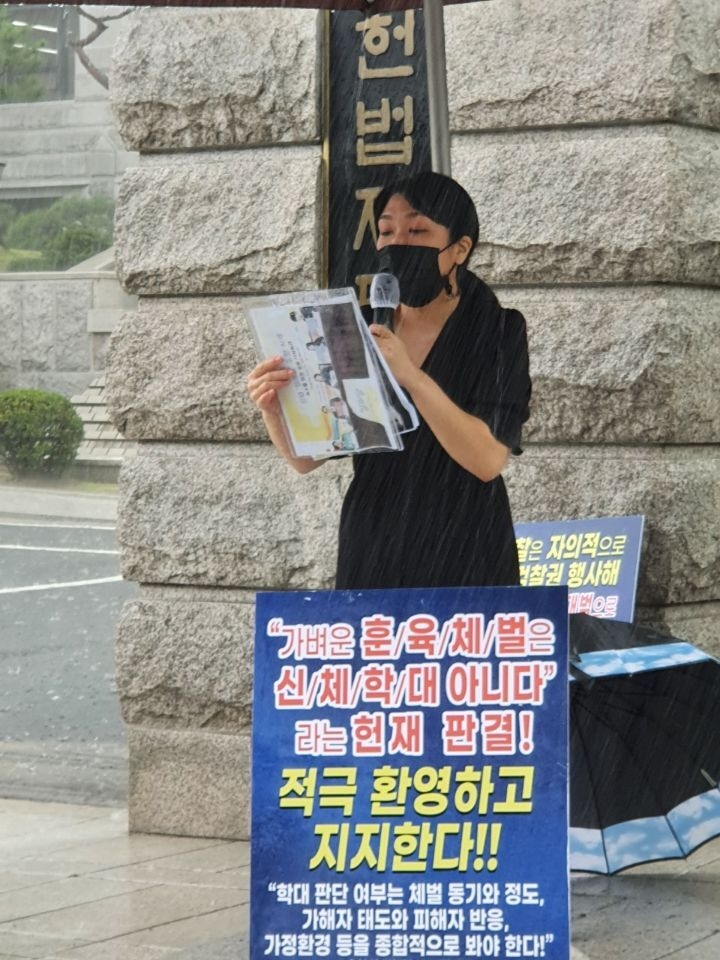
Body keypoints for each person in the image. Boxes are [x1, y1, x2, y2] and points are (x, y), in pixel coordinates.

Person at [247, 171, 531, 589]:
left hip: (466, 546)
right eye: (386, 231)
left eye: (418, 230)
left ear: (459, 249)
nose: (399, 243)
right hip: (375, 542)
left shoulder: (498, 330)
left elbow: (488, 460)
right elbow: (306, 459)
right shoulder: (356, 327)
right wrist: (274, 408)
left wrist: (412, 378)